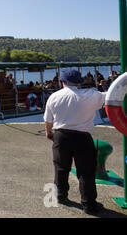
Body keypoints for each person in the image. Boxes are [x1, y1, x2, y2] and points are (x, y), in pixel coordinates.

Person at [43, 69, 106, 215]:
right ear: (80, 81)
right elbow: (111, 96)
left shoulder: (54, 96)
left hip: (61, 136)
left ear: (62, 82)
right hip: (83, 138)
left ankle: (60, 196)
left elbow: (48, 120)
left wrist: (49, 133)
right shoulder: (92, 95)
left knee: (60, 168)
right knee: (86, 172)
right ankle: (89, 205)